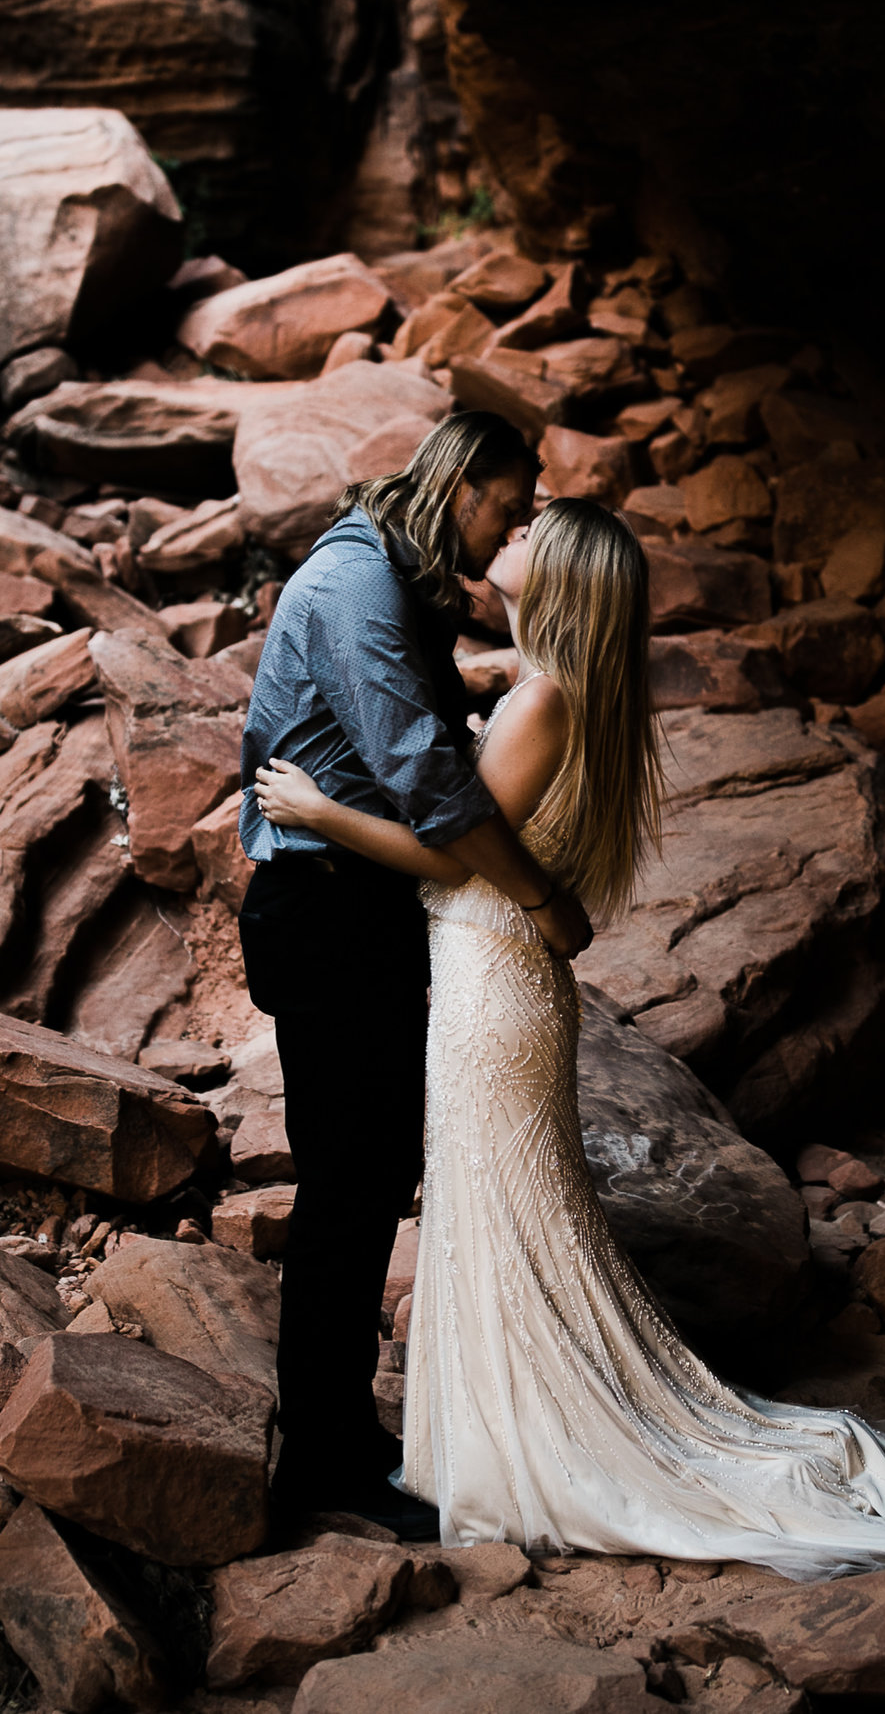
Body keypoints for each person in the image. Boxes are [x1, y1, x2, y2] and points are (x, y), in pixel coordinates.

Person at [253, 497, 885, 1570]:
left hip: (493, 986)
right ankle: (492, 1428)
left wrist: (319, 811)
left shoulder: (542, 703)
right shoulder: (551, 690)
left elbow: (456, 851)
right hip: (500, 976)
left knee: (509, 1218)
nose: (509, 535)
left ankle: (535, 1436)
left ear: (562, 574)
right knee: (507, 1217)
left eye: (530, 530)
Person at [239, 408, 592, 1538]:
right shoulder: (357, 587)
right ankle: (319, 1464)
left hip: (360, 906)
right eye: (513, 498)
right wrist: (540, 900)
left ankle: (343, 1434)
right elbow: (429, 783)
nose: (520, 518)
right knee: (350, 1182)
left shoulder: (391, 575)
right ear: (461, 483)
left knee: (372, 1168)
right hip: (326, 910)